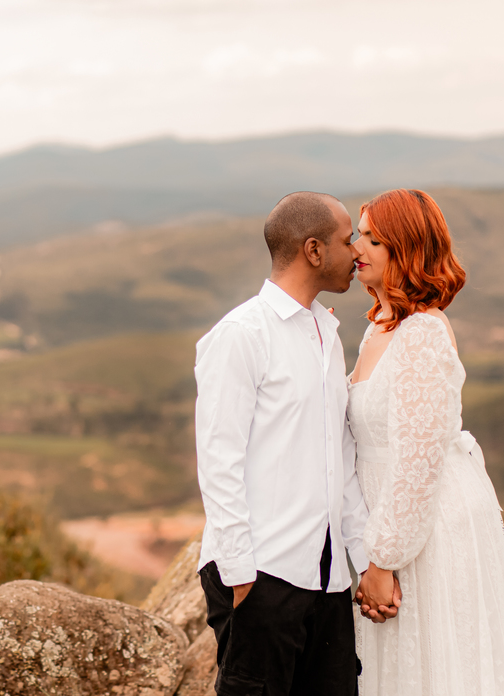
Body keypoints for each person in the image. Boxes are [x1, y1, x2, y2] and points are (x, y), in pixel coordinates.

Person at [194, 191, 393, 696]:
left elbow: (339, 461)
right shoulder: (241, 334)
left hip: (327, 581)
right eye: (347, 240)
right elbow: (218, 460)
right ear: (313, 250)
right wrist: (241, 576)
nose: (356, 250)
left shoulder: (326, 332)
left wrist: (363, 557)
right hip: (262, 575)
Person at [349, 189, 504, 695]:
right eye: (359, 234)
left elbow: (417, 463)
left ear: (406, 251)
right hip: (392, 527)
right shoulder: (380, 328)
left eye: (373, 239)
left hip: (425, 533)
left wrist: (383, 561)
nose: (356, 247)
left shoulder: (422, 334)